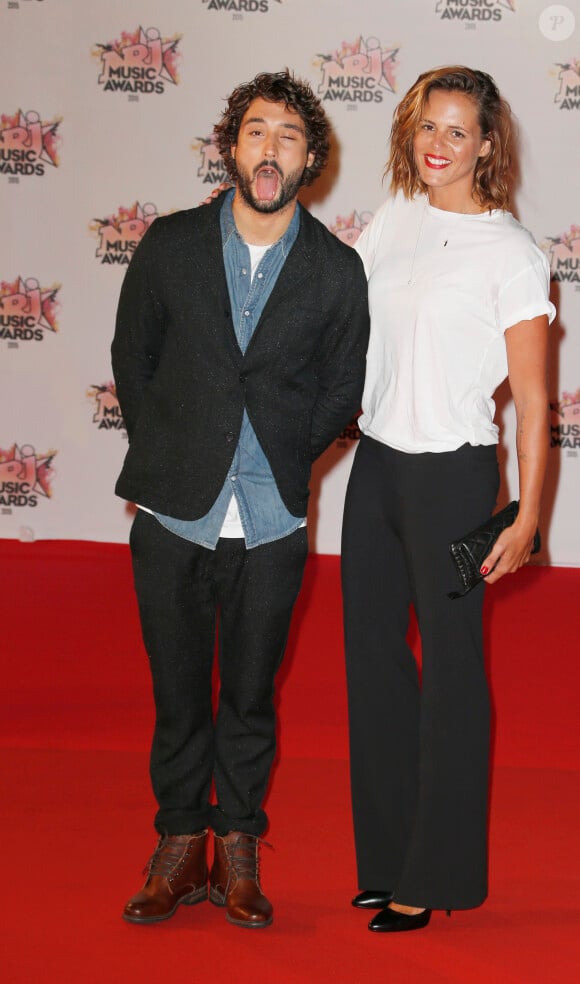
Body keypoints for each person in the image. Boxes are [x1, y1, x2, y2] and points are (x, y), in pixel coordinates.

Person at [112, 69, 369, 929]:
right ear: (232, 144)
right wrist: (172, 452)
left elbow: (342, 392)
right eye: (257, 131)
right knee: (179, 690)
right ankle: (182, 849)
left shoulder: (338, 271)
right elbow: (132, 358)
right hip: (174, 509)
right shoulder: (171, 243)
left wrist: (284, 456)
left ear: (311, 160)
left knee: (251, 697)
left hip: (273, 519)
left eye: (289, 136)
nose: (271, 149)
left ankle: (240, 852)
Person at [341, 66, 554, 933]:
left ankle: (440, 872)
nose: (438, 143)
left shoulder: (513, 252)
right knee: (373, 667)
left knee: (453, 675)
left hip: (456, 481)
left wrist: (530, 514)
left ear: (487, 147)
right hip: (378, 471)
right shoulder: (391, 220)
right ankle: (388, 857)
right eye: (429, 125)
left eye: (459, 131)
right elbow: (335, 318)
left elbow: (536, 403)